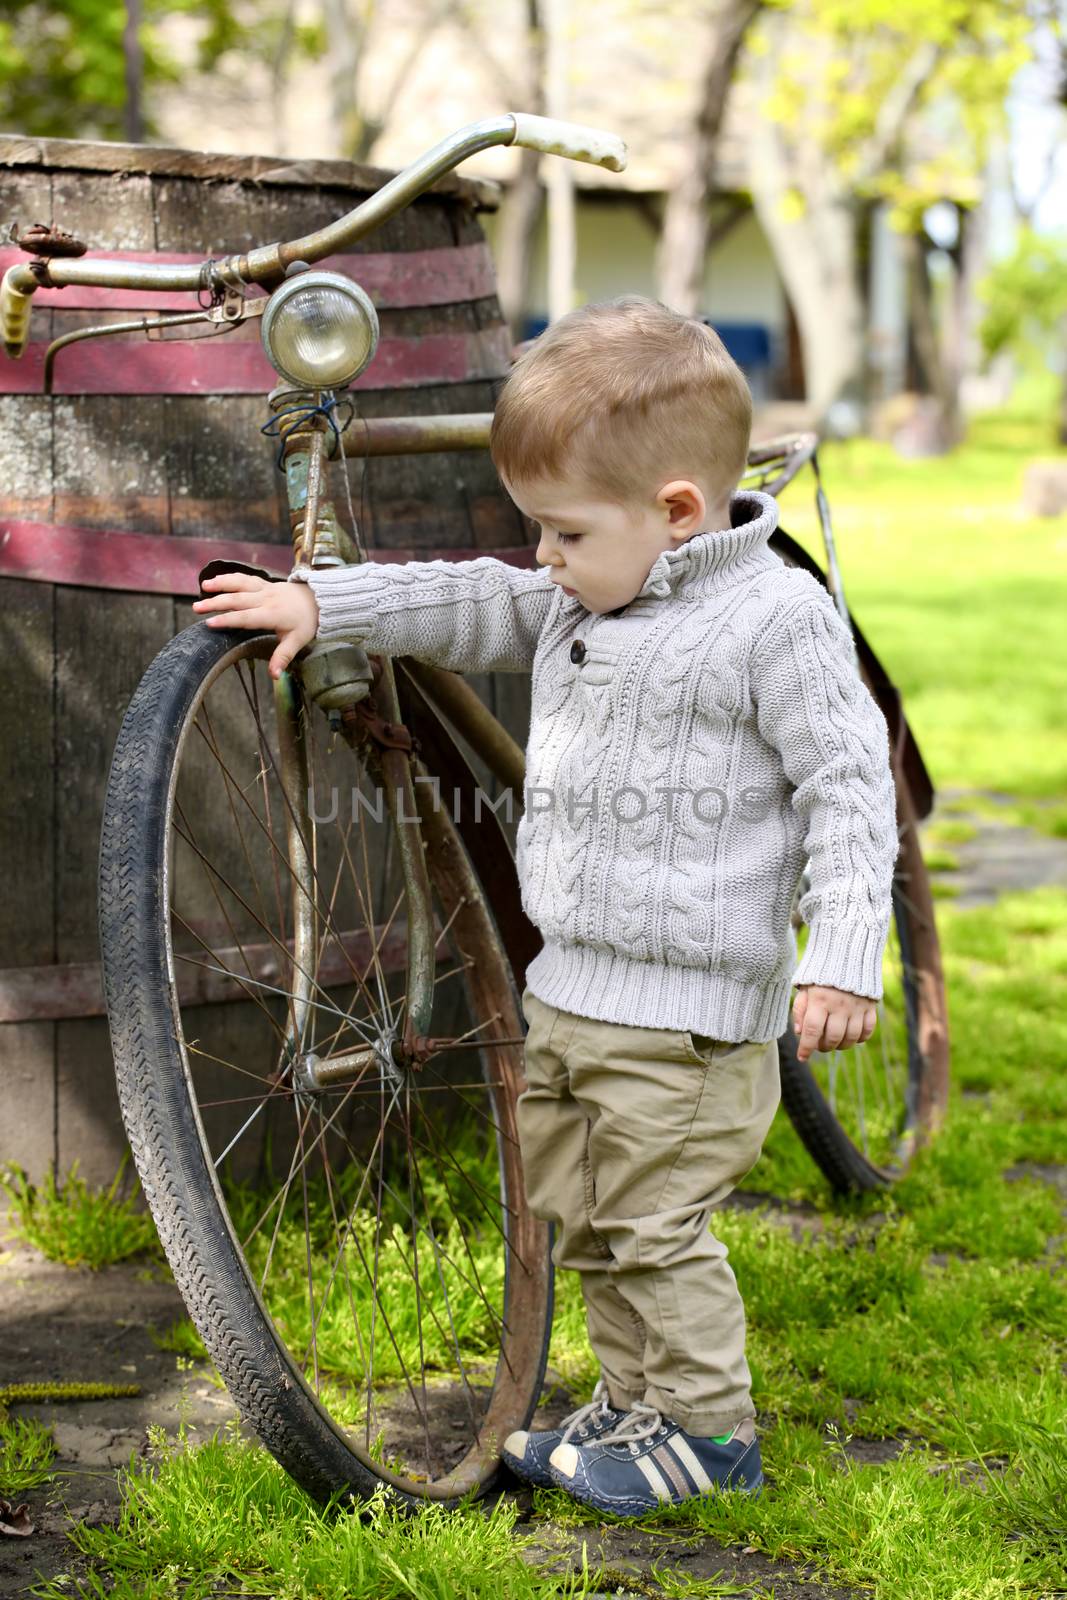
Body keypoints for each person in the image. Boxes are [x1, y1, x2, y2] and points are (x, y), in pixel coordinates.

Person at [192, 294, 899, 1517]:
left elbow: (847, 787)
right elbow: (467, 598)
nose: (543, 560)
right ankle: (638, 1406)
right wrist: (326, 606)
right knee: (581, 1214)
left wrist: (837, 955)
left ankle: (710, 1433)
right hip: (568, 992)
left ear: (676, 513)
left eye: (563, 532)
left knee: (653, 1223)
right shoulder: (584, 591)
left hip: (686, 1019)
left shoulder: (772, 622)